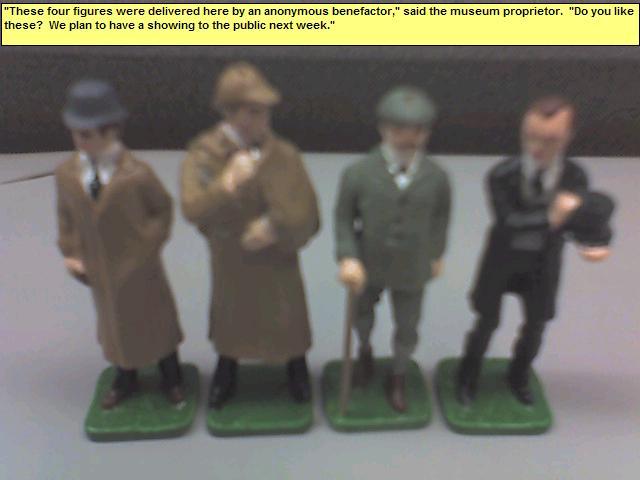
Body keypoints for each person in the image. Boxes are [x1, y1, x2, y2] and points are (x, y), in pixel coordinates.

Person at [456, 95, 614, 406]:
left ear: (568, 136)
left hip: (543, 264)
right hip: (502, 261)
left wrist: (596, 242)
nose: (537, 147)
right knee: (486, 323)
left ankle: (518, 377)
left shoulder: (575, 176)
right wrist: (552, 217)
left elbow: (584, 219)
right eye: (530, 137)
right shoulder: (502, 174)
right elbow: (508, 221)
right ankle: (467, 377)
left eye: (550, 139)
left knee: (536, 326)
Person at [180, 62, 320, 410]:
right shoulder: (204, 155)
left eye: (264, 111)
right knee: (233, 319)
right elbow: (192, 207)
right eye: (253, 112)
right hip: (232, 258)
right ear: (230, 113)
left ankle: (296, 367)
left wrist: (276, 227)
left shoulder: (283, 155)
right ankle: (227, 368)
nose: (262, 120)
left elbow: (308, 212)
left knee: (286, 319)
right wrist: (225, 185)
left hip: (277, 259)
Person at [55, 79, 185, 409]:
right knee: (116, 328)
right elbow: (66, 218)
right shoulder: (68, 176)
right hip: (101, 271)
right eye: (77, 134)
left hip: (141, 269)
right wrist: (72, 253)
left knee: (156, 324)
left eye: (88, 134)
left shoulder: (137, 175)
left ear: (111, 130)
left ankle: (172, 376)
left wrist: (146, 248)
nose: (81, 141)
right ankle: (126, 377)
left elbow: (162, 210)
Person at [334, 86, 451, 412]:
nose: (407, 138)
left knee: (408, 325)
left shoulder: (436, 177)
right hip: (368, 262)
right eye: (399, 129)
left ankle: (398, 374)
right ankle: (365, 353)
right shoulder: (358, 173)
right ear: (383, 128)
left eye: (417, 131)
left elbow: (441, 217)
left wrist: (436, 252)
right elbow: (343, 218)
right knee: (362, 315)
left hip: (413, 265)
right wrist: (348, 256)